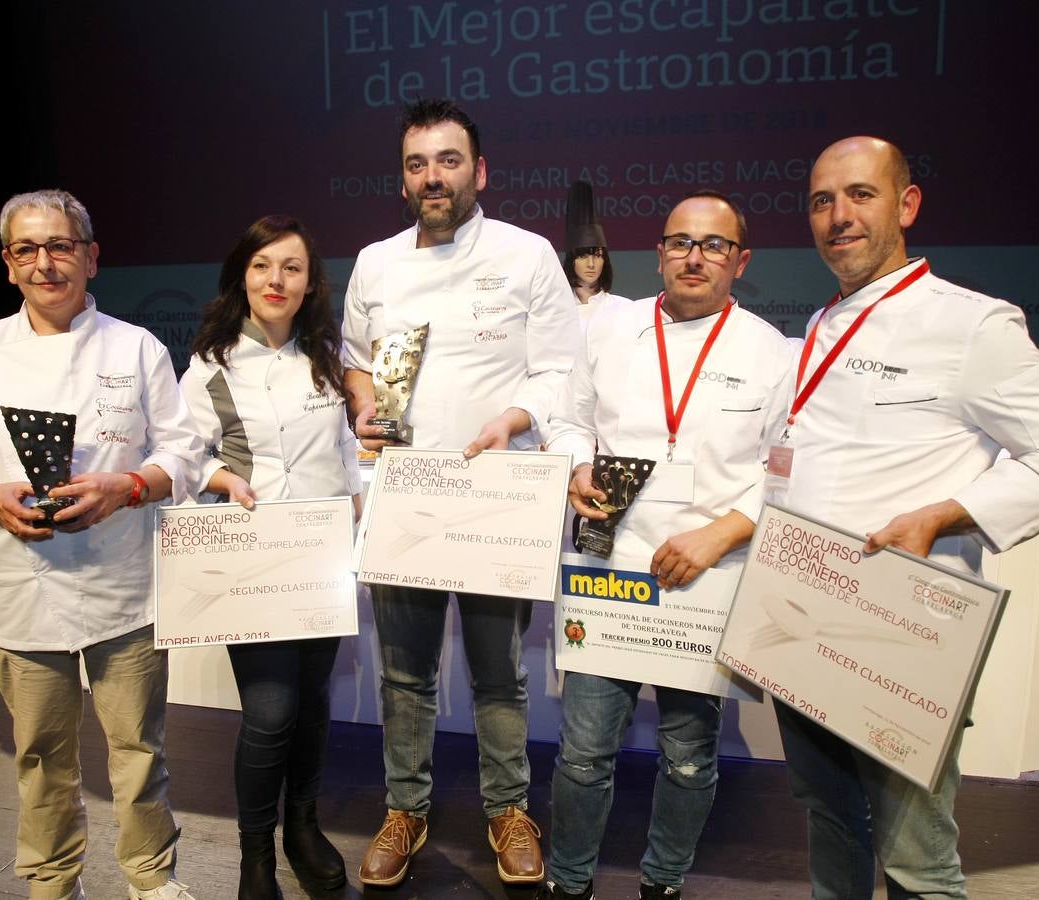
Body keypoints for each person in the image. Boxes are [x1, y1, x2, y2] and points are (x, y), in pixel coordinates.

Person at [771, 136, 1039, 899]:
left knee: (916, 854)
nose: (838, 216)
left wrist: (943, 516)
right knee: (828, 824)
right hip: (801, 618)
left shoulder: (973, 326)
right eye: (823, 201)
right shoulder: (818, 327)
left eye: (861, 195)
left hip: (901, 628)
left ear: (907, 204)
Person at [0, 189, 202, 900]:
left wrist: (126, 487)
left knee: (138, 749)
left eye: (61, 246)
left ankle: (150, 877)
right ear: (9, 265)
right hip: (21, 585)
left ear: (91, 257)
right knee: (40, 755)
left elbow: (186, 455)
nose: (45, 263)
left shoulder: (136, 347)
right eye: (27, 250)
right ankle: (52, 879)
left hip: (123, 584)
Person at [341, 98, 580, 888]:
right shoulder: (377, 262)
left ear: (478, 171)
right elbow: (354, 359)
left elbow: (558, 369)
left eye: (448, 161)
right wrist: (363, 400)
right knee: (404, 673)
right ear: (402, 179)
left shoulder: (528, 254)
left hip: (491, 498)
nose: (432, 176)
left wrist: (515, 417)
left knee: (497, 674)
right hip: (402, 490)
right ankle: (404, 807)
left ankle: (508, 808)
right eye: (417, 164)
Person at [543, 191, 794, 900]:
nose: (694, 256)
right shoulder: (609, 331)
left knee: (687, 759)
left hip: (702, 577)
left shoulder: (771, 352)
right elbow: (567, 421)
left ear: (740, 261)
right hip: (610, 567)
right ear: (658, 254)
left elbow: (786, 469)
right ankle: (568, 884)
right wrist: (576, 465)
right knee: (585, 754)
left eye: (714, 244)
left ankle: (664, 884)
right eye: (680, 241)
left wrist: (721, 533)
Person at [179, 215, 362, 900]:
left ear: (310, 281)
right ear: (243, 275)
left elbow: (343, 448)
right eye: (262, 265)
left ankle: (302, 829)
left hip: (320, 559)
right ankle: (254, 857)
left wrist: (357, 507)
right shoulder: (210, 364)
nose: (276, 280)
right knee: (271, 710)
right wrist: (217, 478)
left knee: (313, 701)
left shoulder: (324, 353)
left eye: (290, 267)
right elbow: (181, 453)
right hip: (250, 560)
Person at [562, 181, 628, 329]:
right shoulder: (557, 311)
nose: (591, 264)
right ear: (572, 260)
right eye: (583, 256)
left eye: (597, 256)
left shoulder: (624, 309)